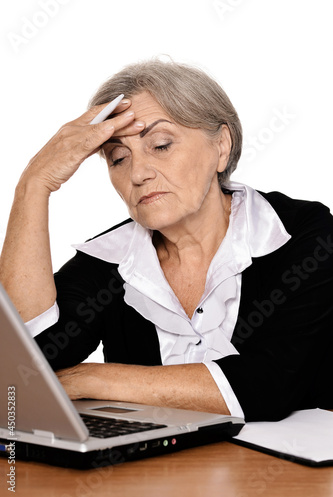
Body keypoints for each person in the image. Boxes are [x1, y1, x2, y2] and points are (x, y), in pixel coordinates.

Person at [0, 59, 332, 422]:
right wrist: (34, 185)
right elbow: (26, 363)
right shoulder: (110, 258)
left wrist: (91, 377)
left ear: (221, 146)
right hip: (155, 473)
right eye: (118, 158)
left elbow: (270, 385)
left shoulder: (301, 234)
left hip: (292, 475)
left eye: (160, 145)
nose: (138, 173)